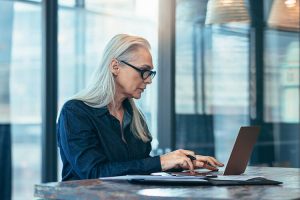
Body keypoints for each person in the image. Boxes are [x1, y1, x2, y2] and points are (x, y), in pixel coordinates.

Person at [57, 34, 223, 181]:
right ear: (115, 66)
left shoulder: (135, 118)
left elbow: (137, 165)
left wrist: (182, 162)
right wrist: (162, 161)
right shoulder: (75, 112)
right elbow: (93, 172)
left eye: (150, 73)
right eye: (144, 71)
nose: (149, 80)